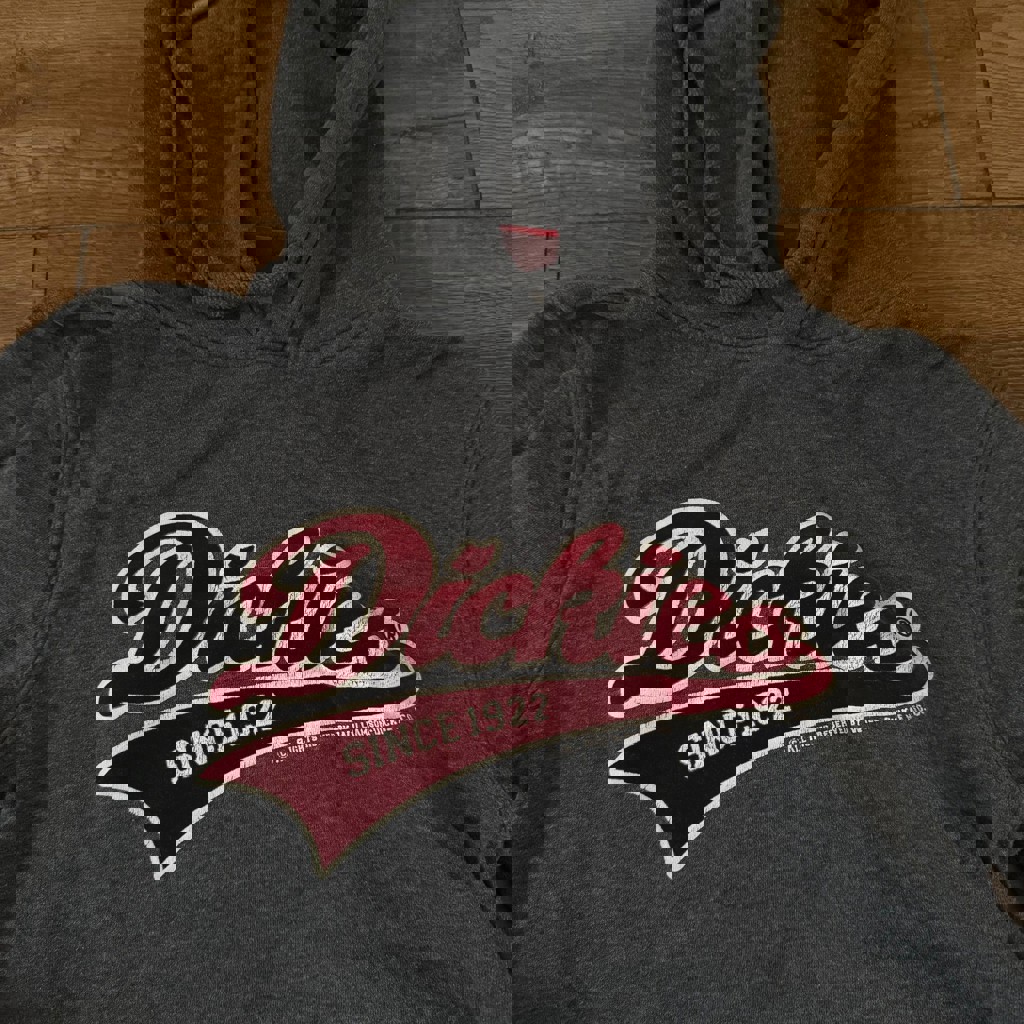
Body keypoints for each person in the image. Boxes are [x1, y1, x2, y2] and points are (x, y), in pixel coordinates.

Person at [1, 1, 1023, 1020]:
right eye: (467, 86)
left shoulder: (908, 437)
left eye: (592, 94)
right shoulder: (99, 415)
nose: (528, 153)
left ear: (693, 108)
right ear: (356, 99)